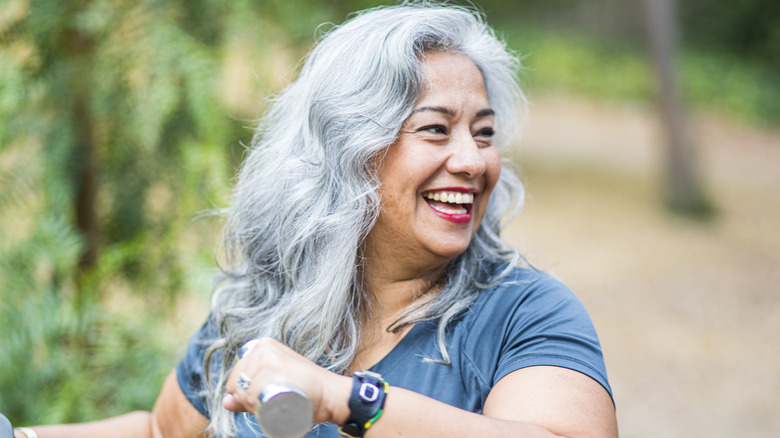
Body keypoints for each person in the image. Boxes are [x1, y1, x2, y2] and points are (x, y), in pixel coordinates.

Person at [12, 2, 617, 438]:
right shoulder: (261, 303)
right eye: (437, 129)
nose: (472, 160)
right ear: (350, 149)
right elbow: (159, 432)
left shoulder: (524, 313)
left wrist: (348, 401)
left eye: (483, 134)